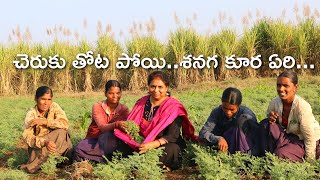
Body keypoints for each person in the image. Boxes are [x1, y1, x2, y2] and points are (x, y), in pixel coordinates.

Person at [114, 71, 198, 171]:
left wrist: (152, 145)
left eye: (160, 87)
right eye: (152, 86)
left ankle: (142, 165)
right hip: (143, 143)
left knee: (171, 150)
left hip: (165, 144)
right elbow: (133, 125)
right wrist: (137, 141)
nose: (156, 90)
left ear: (166, 87)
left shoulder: (173, 106)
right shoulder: (141, 103)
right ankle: (145, 164)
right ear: (148, 86)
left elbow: (172, 136)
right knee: (120, 144)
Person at [259, 70, 320, 161]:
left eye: (285, 86)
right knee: (265, 123)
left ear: (295, 88)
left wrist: (309, 161)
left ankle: (293, 154)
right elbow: (270, 119)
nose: (281, 89)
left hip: (302, 139)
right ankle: (265, 154)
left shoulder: (302, 107)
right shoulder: (275, 102)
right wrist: (271, 118)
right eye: (279, 85)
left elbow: (309, 137)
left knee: (280, 154)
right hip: (288, 136)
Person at [20, 86, 72, 173]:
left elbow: (65, 123)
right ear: (36, 99)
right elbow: (27, 137)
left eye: (49, 99)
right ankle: (34, 166)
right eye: (43, 99)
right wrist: (45, 142)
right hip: (40, 148)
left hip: (56, 146)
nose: (46, 103)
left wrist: (45, 122)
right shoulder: (31, 114)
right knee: (61, 133)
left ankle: (56, 162)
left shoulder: (54, 106)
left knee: (63, 133)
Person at [73, 80, 129, 162]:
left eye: (118, 93)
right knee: (79, 149)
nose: (115, 96)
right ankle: (106, 158)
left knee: (112, 139)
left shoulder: (124, 109)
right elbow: (102, 127)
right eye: (111, 93)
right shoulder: (98, 106)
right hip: (95, 139)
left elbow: (126, 128)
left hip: (112, 141)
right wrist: (117, 124)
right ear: (105, 93)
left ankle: (100, 159)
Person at [199, 87, 259, 155]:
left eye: (232, 109)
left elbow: (256, 138)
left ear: (238, 106)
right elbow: (203, 132)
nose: (228, 112)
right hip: (221, 146)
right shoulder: (217, 112)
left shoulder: (247, 115)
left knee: (241, 122)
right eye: (225, 108)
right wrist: (218, 139)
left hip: (241, 148)